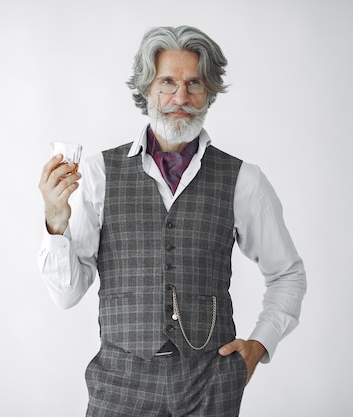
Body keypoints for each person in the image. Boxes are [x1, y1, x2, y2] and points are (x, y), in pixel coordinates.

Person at [37, 25, 306, 417]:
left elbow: (288, 274)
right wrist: (56, 221)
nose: (180, 97)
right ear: (147, 88)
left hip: (209, 386)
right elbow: (66, 295)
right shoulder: (99, 174)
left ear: (209, 93)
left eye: (194, 83)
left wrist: (259, 346)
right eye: (167, 82)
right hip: (119, 386)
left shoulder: (244, 180)